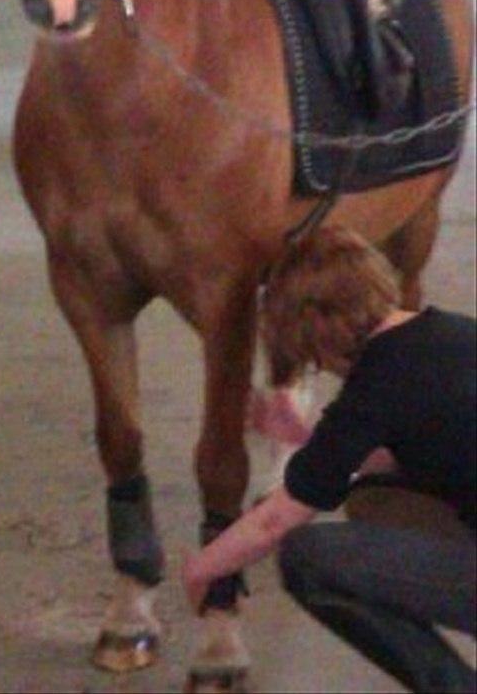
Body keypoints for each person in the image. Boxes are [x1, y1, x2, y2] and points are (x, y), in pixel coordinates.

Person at [182, 225, 476, 694]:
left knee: (308, 558)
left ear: (316, 325)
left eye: (309, 354)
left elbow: (275, 522)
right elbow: (426, 447)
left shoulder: (376, 384)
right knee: (374, 496)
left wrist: (203, 567)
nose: (319, 366)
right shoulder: (454, 334)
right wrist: (302, 437)